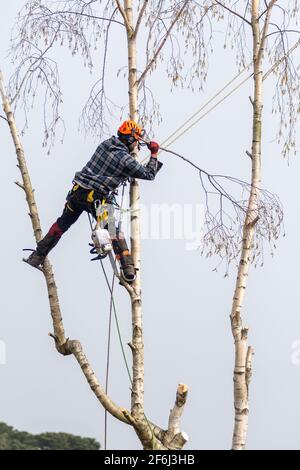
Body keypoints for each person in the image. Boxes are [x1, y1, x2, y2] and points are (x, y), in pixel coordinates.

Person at [25, 120, 162, 282]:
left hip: (77, 194)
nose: (137, 146)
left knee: (62, 224)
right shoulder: (125, 160)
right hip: (98, 199)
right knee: (114, 232)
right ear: (131, 140)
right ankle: (128, 270)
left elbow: (116, 164)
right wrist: (154, 154)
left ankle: (37, 255)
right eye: (136, 142)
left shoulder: (105, 144)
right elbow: (148, 174)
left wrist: (131, 155)